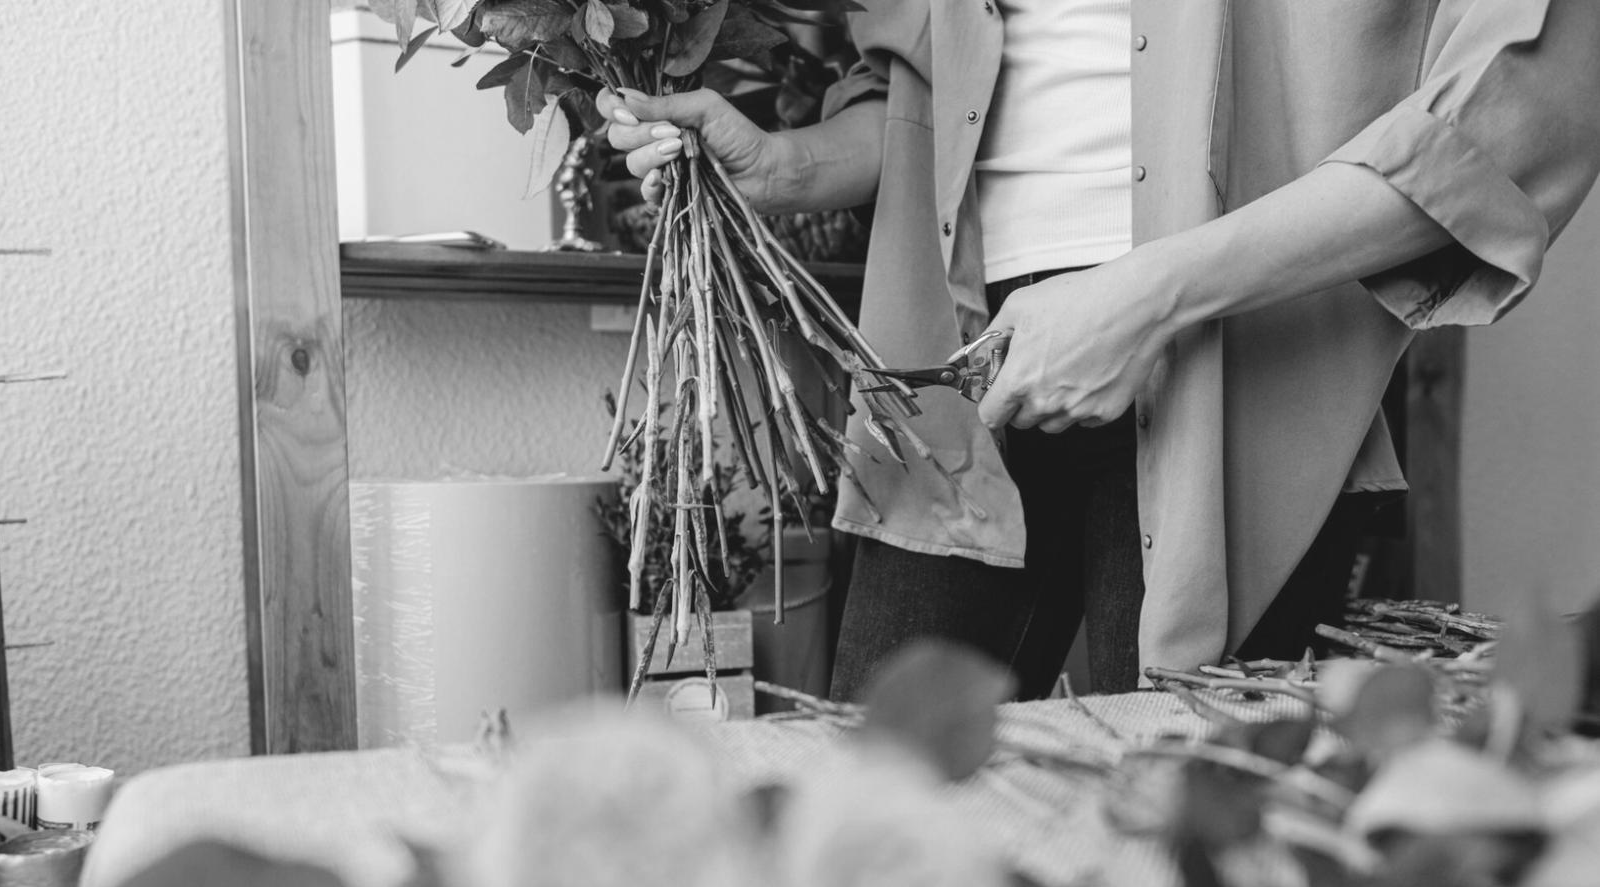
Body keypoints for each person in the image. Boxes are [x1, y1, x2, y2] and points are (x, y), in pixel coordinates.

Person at [599, 0, 1600, 698]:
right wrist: (787, 164)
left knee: (1178, 835)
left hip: (1243, 365)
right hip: (957, 372)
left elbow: (1510, 120)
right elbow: (920, 89)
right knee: (879, 817)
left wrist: (1146, 297)